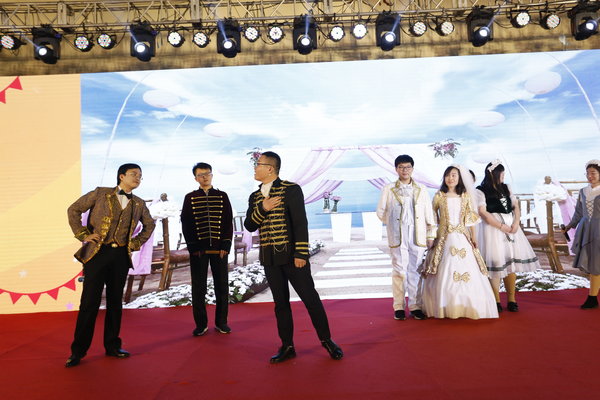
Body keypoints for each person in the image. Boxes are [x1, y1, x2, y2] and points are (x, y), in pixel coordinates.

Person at [244, 151, 343, 363]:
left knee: (310, 299)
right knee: (280, 304)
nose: (255, 168)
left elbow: (300, 223)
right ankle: (287, 346)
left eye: (258, 164)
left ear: (270, 168)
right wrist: (263, 208)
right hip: (270, 259)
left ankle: (327, 340)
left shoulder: (291, 189)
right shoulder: (254, 197)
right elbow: (250, 225)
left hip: (292, 257)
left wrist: (301, 253)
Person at [65, 163, 155, 367]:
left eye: (140, 176)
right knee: (89, 303)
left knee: (115, 302)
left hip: (121, 256)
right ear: (121, 176)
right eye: (134, 174)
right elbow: (74, 209)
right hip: (98, 254)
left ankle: (113, 346)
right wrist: (83, 234)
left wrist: (135, 243)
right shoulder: (100, 193)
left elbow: (149, 224)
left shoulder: (139, 203)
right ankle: (78, 351)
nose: (138, 178)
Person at [421, 165, 498, 319]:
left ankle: (469, 305)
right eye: (448, 175)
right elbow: (432, 217)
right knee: (445, 268)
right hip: (444, 238)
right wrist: (432, 236)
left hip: (463, 236)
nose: (450, 178)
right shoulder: (439, 196)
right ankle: (444, 305)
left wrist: (473, 237)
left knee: (469, 268)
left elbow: (470, 219)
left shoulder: (465, 196)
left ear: (459, 178)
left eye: (454, 175)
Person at [376, 154, 436, 320]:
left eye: (408, 167)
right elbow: (380, 212)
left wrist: (431, 234)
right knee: (399, 270)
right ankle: (399, 306)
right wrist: (394, 224)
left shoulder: (421, 189)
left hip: (418, 234)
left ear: (412, 169)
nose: (405, 170)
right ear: (396, 169)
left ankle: (415, 305)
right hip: (398, 234)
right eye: (401, 167)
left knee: (415, 270)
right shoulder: (388, 188)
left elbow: (429, 213)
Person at [476, 160, 540, 313]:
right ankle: (496, 300)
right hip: (492, 230)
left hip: (511, 228)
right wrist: (500, 226)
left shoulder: (506, 188)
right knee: (496, 262)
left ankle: (512, 299)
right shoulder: (480, 190)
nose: (503, 177)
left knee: (511, 263)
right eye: (501, 174)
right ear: (494, 174)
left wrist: (516, 222)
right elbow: (483, 212)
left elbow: (515, 206)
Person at [181, 162, 234, 336]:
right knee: (198, 288)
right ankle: (201, 324)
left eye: (207, 173)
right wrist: (193, 247)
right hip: (199, 250)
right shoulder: (190, 197)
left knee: (222, 287)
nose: (205, 177)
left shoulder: (222, 196)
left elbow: (228, 221)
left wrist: (226, 245)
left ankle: (222, 322)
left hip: (219, 249)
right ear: (195, 178)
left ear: (212, 175)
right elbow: (186, 223)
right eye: (201, 175)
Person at [562, 160, 600, 309]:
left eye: (593, 173)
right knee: (593, 263)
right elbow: (578, 212)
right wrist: (569, 226)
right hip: (586, 230)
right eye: (588, 173)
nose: (590, 176)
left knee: (597, 263)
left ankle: (592, 298)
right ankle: (592, 298)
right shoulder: (583, 191)